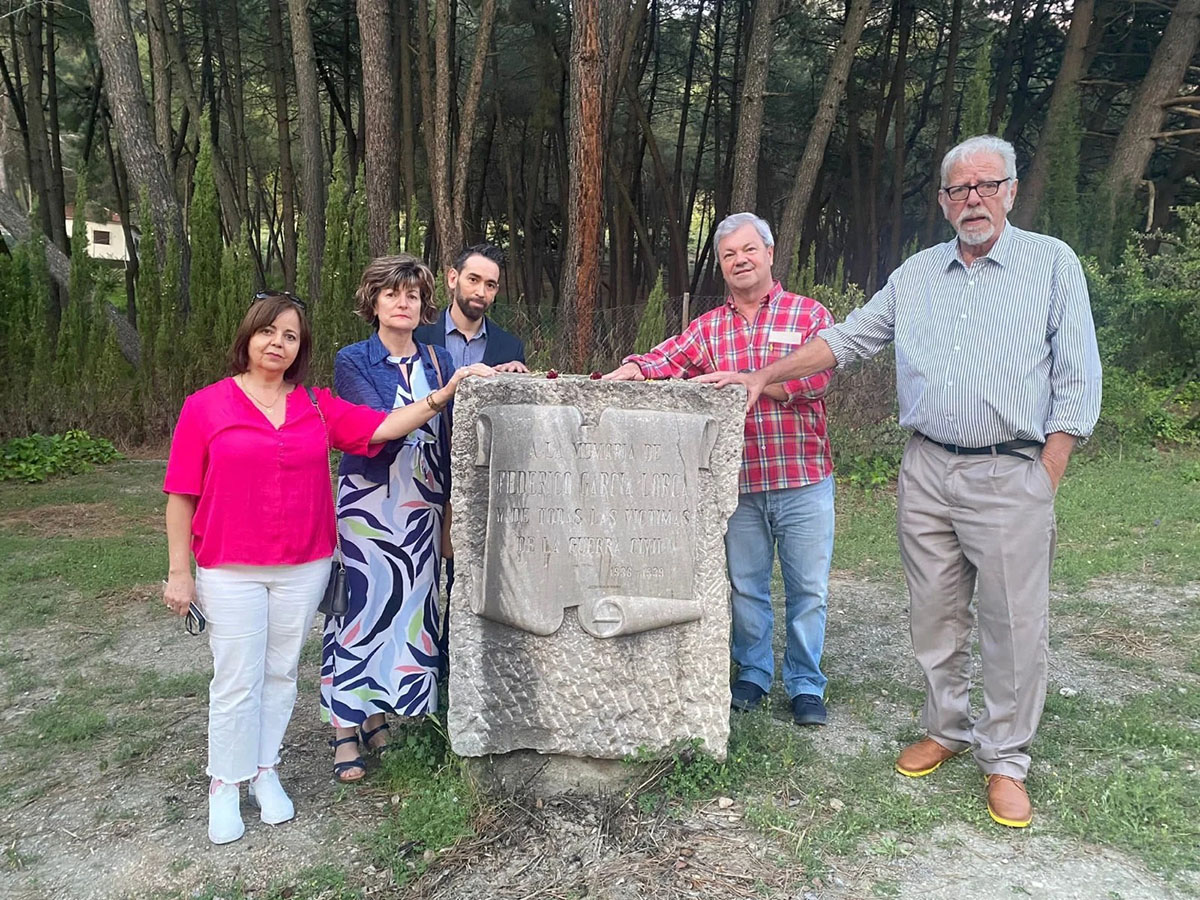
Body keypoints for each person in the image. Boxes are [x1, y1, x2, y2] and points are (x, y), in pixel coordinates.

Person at [698, 135, 1103, 828]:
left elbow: (1077, 376)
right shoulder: (916, 274)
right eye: (958, 189)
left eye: (985, 185)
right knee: (934, 615)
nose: (972, 199)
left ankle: (1005, 758)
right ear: (944, 201)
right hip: (925, 468)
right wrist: (765, 376)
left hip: (1011, 468)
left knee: (1012, 621)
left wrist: (1046, 473)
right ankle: (945, 728)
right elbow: (849, 338)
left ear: (1009, 189)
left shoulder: (1051, 264)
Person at [162, 291, 494, 844]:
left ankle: (265, 772)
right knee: (236, 676)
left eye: (290, 336)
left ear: (300, 348)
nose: (278, 343)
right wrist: (179, 571)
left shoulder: (314, 405)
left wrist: (443, 395)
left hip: (304, 562)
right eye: (269, 332)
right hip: (229, 565)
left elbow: (382, 427)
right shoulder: (206, 406)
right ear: (247, 338)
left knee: (280, 672)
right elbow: (180, 493)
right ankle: (226, 783)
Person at [603, 212, 837, 728]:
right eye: (729, 254)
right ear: (722, 266)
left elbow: (818, 380)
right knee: (746, 585)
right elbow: (667, 358)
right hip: (739, 484)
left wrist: (751, 382)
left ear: (770, 253)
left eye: (749, 250)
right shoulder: (708, 327)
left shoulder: (807, 316)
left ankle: (805, 682)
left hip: (803, 477)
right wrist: (635, 369)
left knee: (809, 589)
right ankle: (753, 673)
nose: (740, 261)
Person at [322, 256, 493, 782]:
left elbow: (449, 440)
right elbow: (378, 427)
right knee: (359, 611)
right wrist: (445, 395)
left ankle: (377, 712)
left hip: (422, 502)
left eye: (414, 296)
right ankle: (343, 729)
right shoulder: (354, 360)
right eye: (393, 294)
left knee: (407, 611)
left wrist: (446, 508)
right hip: (371, 503)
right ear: (372, 301)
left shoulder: (439, 359)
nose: (404, 303)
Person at [413, 243, 529, 373]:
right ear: (453, 279)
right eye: (473, 280)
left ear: (496, 291)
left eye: (490, 285)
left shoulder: (510, 349)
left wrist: (515, 374)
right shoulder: (417, 335)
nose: (481, 292)